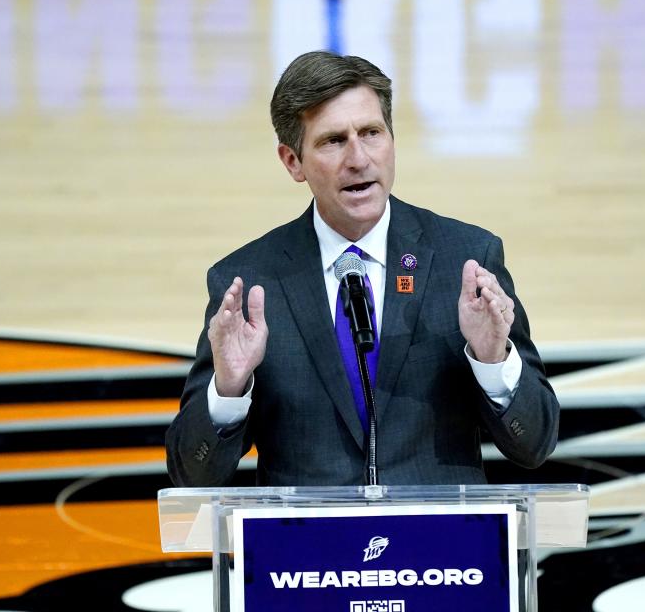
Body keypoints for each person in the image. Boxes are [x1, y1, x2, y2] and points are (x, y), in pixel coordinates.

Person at [166, 51, 559, 486]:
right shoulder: (249, 282)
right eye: (333, 140)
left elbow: (534, 445)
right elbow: (192, 474)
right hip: (306, 550)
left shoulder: (465, 260)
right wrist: (229, 389)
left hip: (441, 548)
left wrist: (492, 361)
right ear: (292, 161)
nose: (359, 158)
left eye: (371, 132)